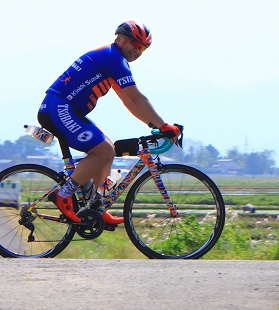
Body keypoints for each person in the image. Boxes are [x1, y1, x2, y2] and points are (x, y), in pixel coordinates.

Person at [37, 21, 179, 225]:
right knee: (103, 151)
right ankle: (63, 194)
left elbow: (128, 100)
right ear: (120, 39)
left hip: (65, 109)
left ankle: (95, 206)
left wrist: (153, 125)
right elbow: (137, 98)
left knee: (107, 149)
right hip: (59, 108)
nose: (138, 52)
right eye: (136, 45)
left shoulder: (114, 59)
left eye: (143, 49)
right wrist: (164, 125)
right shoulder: (114, 58)